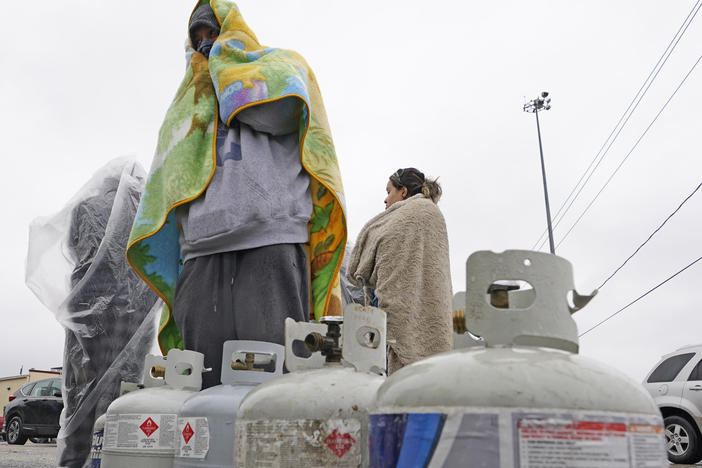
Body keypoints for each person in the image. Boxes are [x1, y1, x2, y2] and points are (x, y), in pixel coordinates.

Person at [126, 1, 347, 388]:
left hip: (272, 238)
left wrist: (228, 75)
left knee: (268, 378)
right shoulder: (188, 100)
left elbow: (279, 113)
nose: (206, 45)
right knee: (200, 382)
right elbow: (172, 176)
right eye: (198, 39)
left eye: (213, 33)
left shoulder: (280, 65)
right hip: (201, 251)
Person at [347, 168, 453, 374]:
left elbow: (360, 266)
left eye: (389, 192)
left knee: (397, 389)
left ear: (403, 192)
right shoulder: (432, 214)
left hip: (392, 323)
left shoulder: (408, 216)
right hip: (425, 318)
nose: (385, 201)